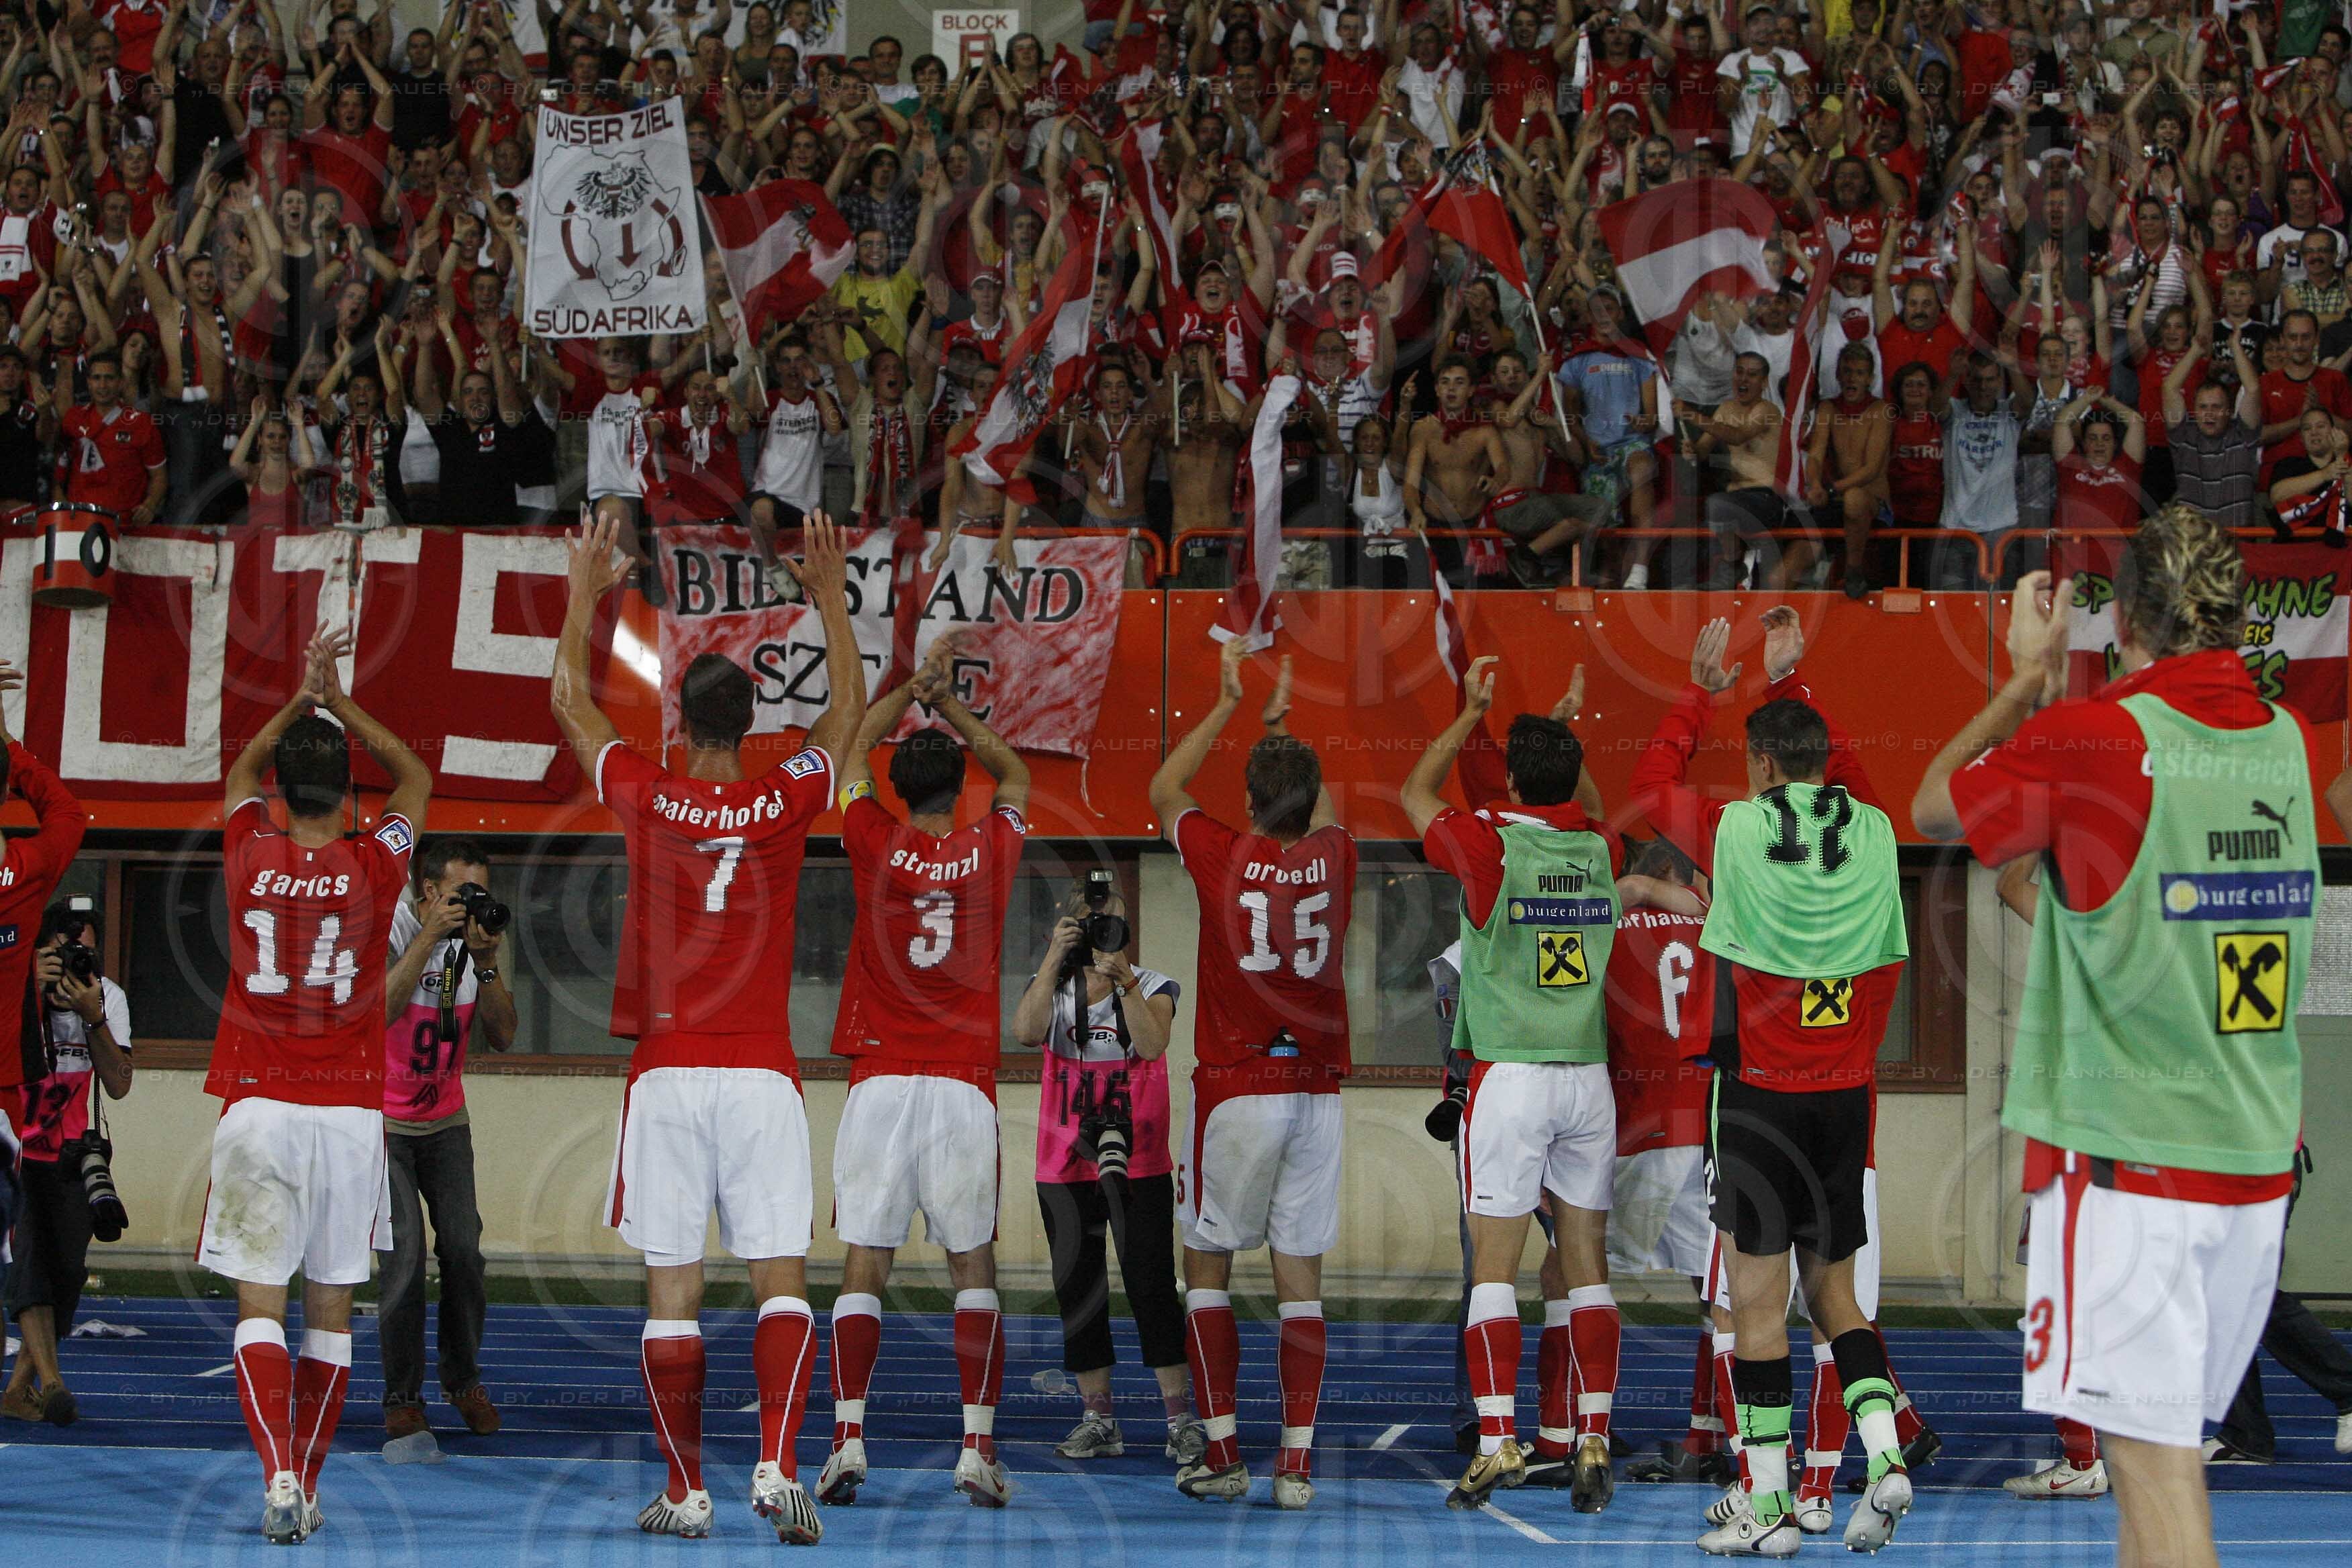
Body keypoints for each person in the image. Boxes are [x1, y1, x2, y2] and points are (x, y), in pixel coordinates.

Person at [1914, 506, 2335, 1568]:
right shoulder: (2281, 740)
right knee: (2162, 1473)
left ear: (2126, 622)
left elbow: (1930, 811)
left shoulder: (2101, 733)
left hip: (2131, 1168)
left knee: (2153, 1476)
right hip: (2249, 1160)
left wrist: (2022, 680)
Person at [549, 511, 865, 1545]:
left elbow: (568, 705)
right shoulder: (783, 797)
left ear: (680, 725)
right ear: (755, 718)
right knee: (783, 1279)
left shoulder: (651, 793)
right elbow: (849, 717)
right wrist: (827, 593)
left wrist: (585, 594)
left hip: (670, 1073)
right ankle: (776, 1466)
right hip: (764, 1072)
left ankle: (688, 1492)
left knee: (672, 1296)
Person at [1631, 608, 1916, 1556]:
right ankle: (1883, 1459)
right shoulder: (1874, 829)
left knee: (1756, 1308)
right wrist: (1791, 681)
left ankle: (1768, 1507)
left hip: (1759, 1095)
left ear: (1757, 766)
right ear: (1825, 763)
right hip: (1847, 1097)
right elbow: (1861, 779)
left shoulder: (1735, 832)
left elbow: (1645, 792)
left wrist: (1698, 696)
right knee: (1839, 1301)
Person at [201, 630, 432, 1545]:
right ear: (346, 795)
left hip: (258, 1103)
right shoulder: (376, 862)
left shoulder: (247, 848)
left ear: (278, 792)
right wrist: (342, 702)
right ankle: (308, 1477)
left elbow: (241, 772)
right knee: (331, 1308)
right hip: (346, 1113)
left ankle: (274, 1482)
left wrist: (300, 699)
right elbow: (414, 775)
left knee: (261, 1300)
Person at [1402, 655, 1624, 1514]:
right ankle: (1594, 1430)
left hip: (1511, 1075)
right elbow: (1596, 807)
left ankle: (1498, 1442)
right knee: (1587, 1267)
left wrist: (1469, 713)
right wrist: (1569, 733)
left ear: (1513, 780)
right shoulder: (1602, 848)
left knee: (1495, 1265)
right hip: (1588, 1079)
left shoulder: (1492, 843)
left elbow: (1415, 795)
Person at [820, 639, 1030, 1512]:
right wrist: (950, 706)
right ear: (960, 788)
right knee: (971, 1266)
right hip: (960, 1084)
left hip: (880, 1080)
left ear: (900, 789)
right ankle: (975, 1449)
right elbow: (1015, 774)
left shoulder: (873, 837)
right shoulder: (991, 844)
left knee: (864, 1259)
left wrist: (904, 690)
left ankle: (846, 1441)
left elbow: (841, 760)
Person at [1146, 641, 1353, 1510]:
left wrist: (1230, 709)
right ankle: (1296, 1464)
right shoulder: (1336, 855)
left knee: (1207, 1267)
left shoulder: (1222, 854)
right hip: (1316, 1090)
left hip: (1235, 1088)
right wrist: (1288, 730)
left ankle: (1225, 1451)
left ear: (1247, 803)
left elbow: (1162, 792)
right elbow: (1331, 808)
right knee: (1300, 1278)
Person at [1012, 873, 1204, 1467]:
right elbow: (1023, 1031)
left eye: (1112, 922)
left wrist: (1123, 984)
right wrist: (1052, 962)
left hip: (1137, 1155)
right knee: (1080, 1289)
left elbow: (1151, 1046)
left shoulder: (1152, 984)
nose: (1103, 933)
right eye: (1090, 924)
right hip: (1064, 1158)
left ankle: (1179, 1419)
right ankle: (1098, 1417)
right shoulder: (1053, 985)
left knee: (1150, 1282)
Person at [375, 840, 518, 1442]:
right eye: (462, 894)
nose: (472, 906)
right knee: (403, 1258)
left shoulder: (475, 939)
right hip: (382, 1123)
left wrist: (485, 964)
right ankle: (403, 1397)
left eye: (479, 893)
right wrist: (427, 939)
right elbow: (372, 1013)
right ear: (428, 890)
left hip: (446, 1119)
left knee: (463, 1249)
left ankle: (463, 1379)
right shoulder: (390, 927)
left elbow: (504, 1034)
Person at [1606, 842, 1732, 1488]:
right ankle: (1721, 1438)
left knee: (1574, 1273)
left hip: (1638, 1122)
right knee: (1721, 1294)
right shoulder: (1718, 918)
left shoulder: (1610, 917)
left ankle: (1571, 1432)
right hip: (1711, 1125)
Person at [2, 899, 127, 1429]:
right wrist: (28, 990)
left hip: (74, 1153)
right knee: (30, 1263)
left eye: (87, 951)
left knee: (66, 1275)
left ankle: (16, 1390)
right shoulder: (13, 993)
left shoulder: (108, 997)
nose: (77, 960)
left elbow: (118, 1084)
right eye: (65, 950)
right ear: (39, 949)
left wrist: (93, 1016)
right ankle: (51, 1383)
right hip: (16, 1147)